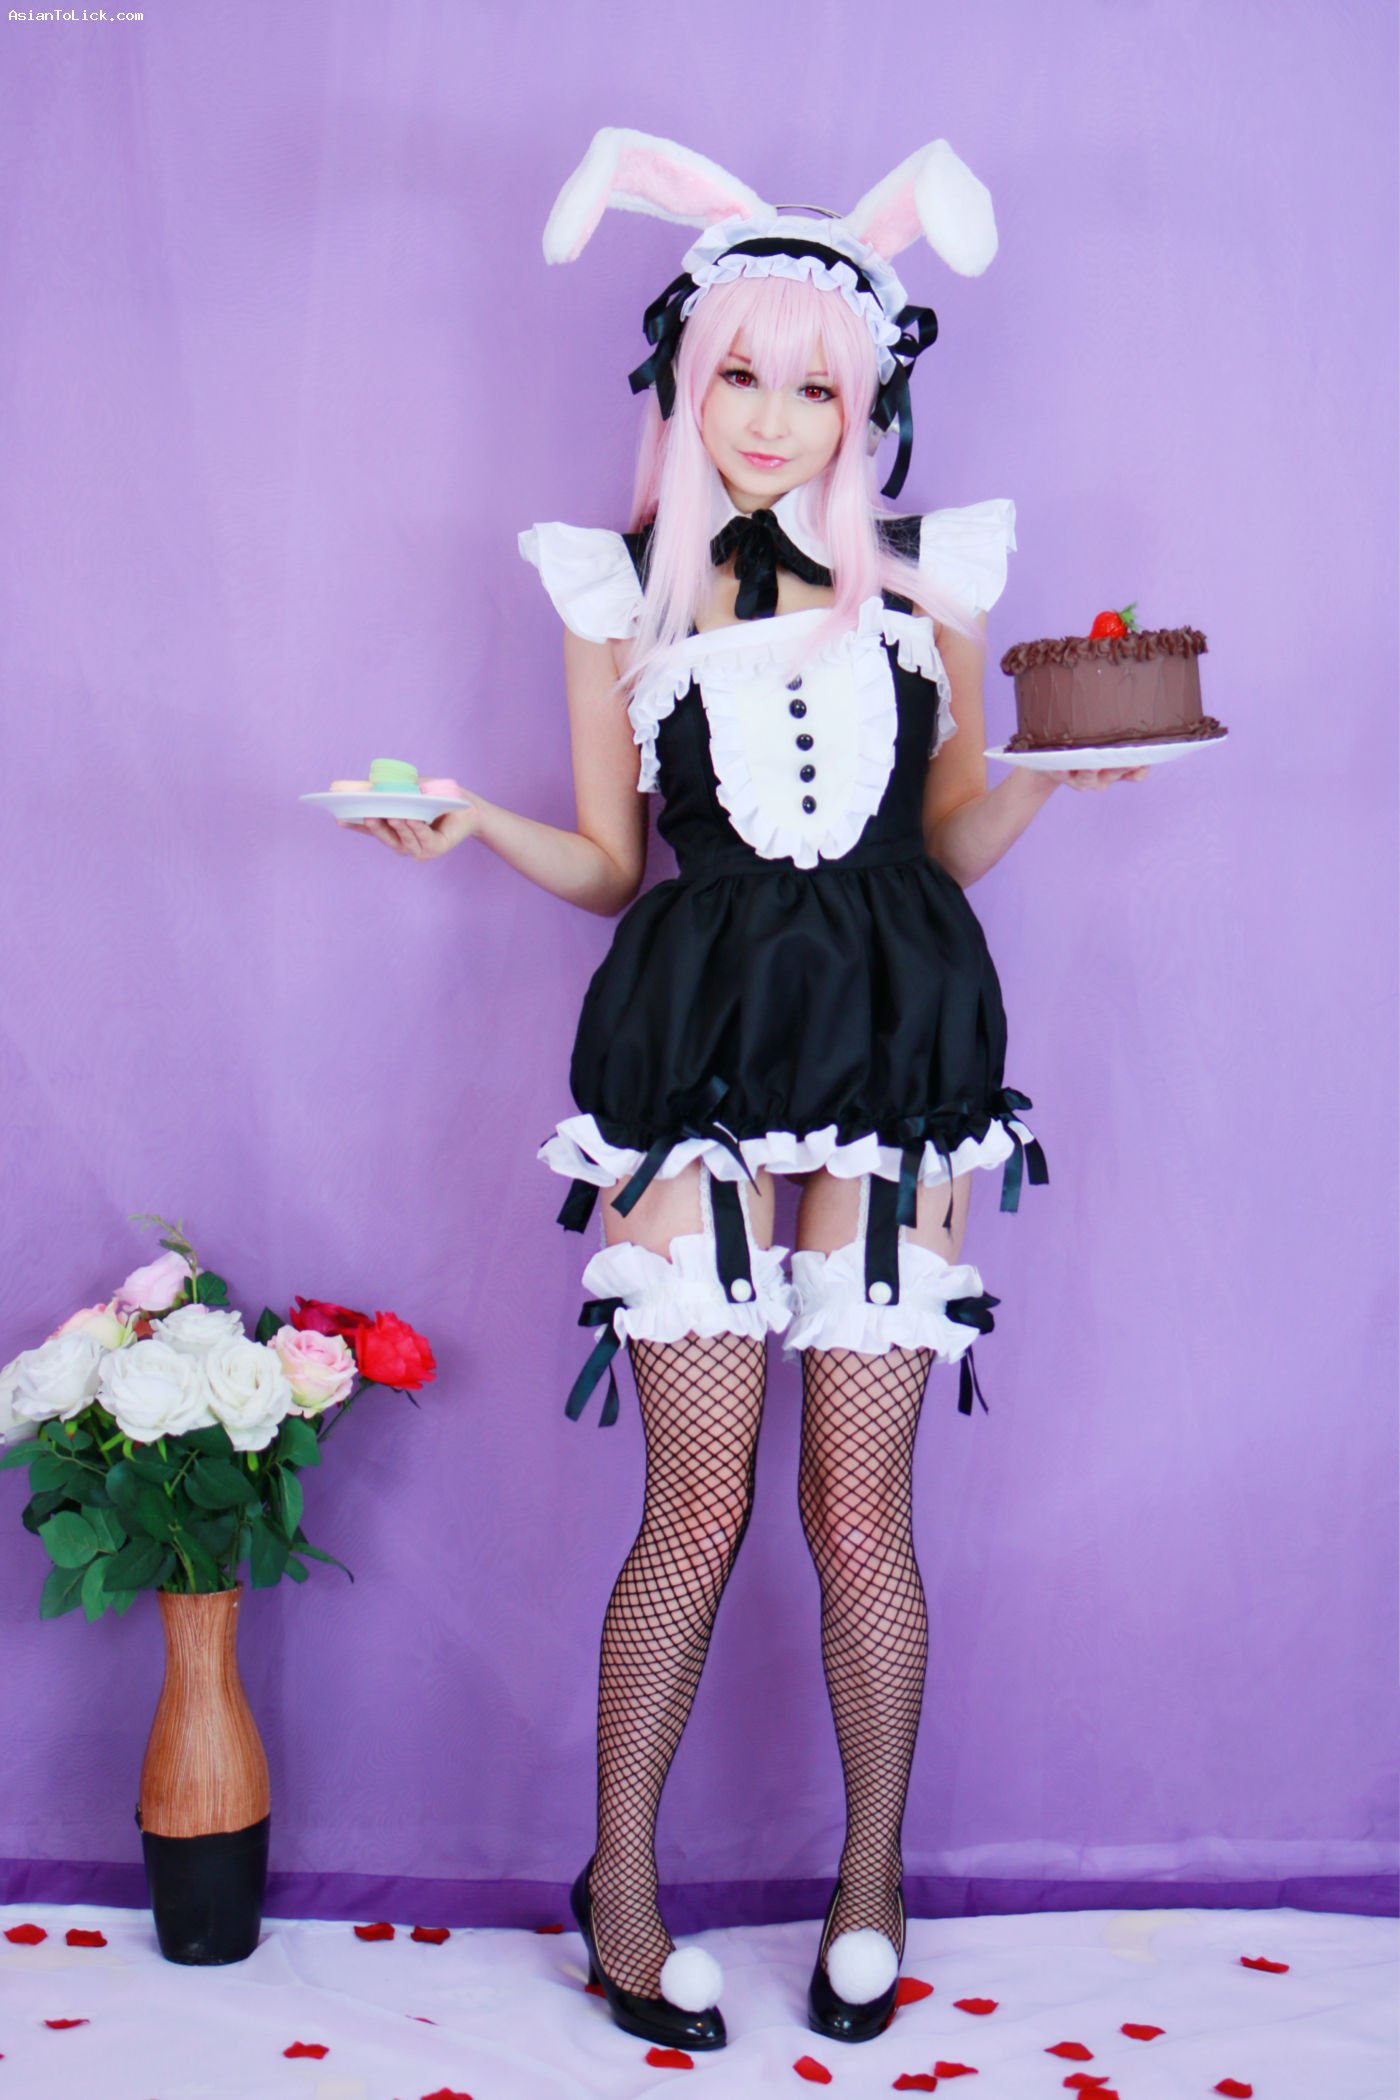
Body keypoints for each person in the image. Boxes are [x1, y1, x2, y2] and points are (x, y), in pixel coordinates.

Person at [342, 129, 1147, 2052]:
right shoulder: (614, 588)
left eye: (817, 387)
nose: (774, 417)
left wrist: (1054, 775)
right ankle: (621, 1892)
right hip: (688, 1055)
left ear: (865, 405)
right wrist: (475, 828)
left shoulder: (933, 582)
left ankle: (870, 1889)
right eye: (739, 375)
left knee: (862, 1512)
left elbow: (945, 847)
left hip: (899, 1052)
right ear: (683, 378)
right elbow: (616, 868)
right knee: (691, 1506)